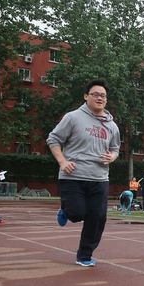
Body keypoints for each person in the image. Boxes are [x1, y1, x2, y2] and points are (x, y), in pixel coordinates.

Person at [47, 79, 120, 268]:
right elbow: (53, 139)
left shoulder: (112, 125)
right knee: (77, 213)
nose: (100, 98)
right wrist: (62, 161)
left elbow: (115, 149)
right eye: (95, 94)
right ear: (86, 96)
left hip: (100, 178)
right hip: (73, 175)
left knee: (97, 218)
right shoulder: (73, 117)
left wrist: (111, 157)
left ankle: (85, 255)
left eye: (103, 95)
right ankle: (65, 210)